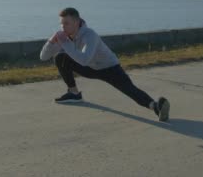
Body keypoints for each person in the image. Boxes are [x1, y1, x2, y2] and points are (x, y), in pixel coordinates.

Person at [39, 7, 170, 121]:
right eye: (61, 24)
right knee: (60, 57)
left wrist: (66, 44)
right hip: (90, 68)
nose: (63, 27)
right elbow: (43, 57)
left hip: (109, 68)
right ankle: (74, 93)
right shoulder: (64, 36)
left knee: (130, 90)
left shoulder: (90, 35)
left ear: (77, 22)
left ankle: (156, 106)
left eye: (66, 23)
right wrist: (51, 42)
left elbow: (84, 59)